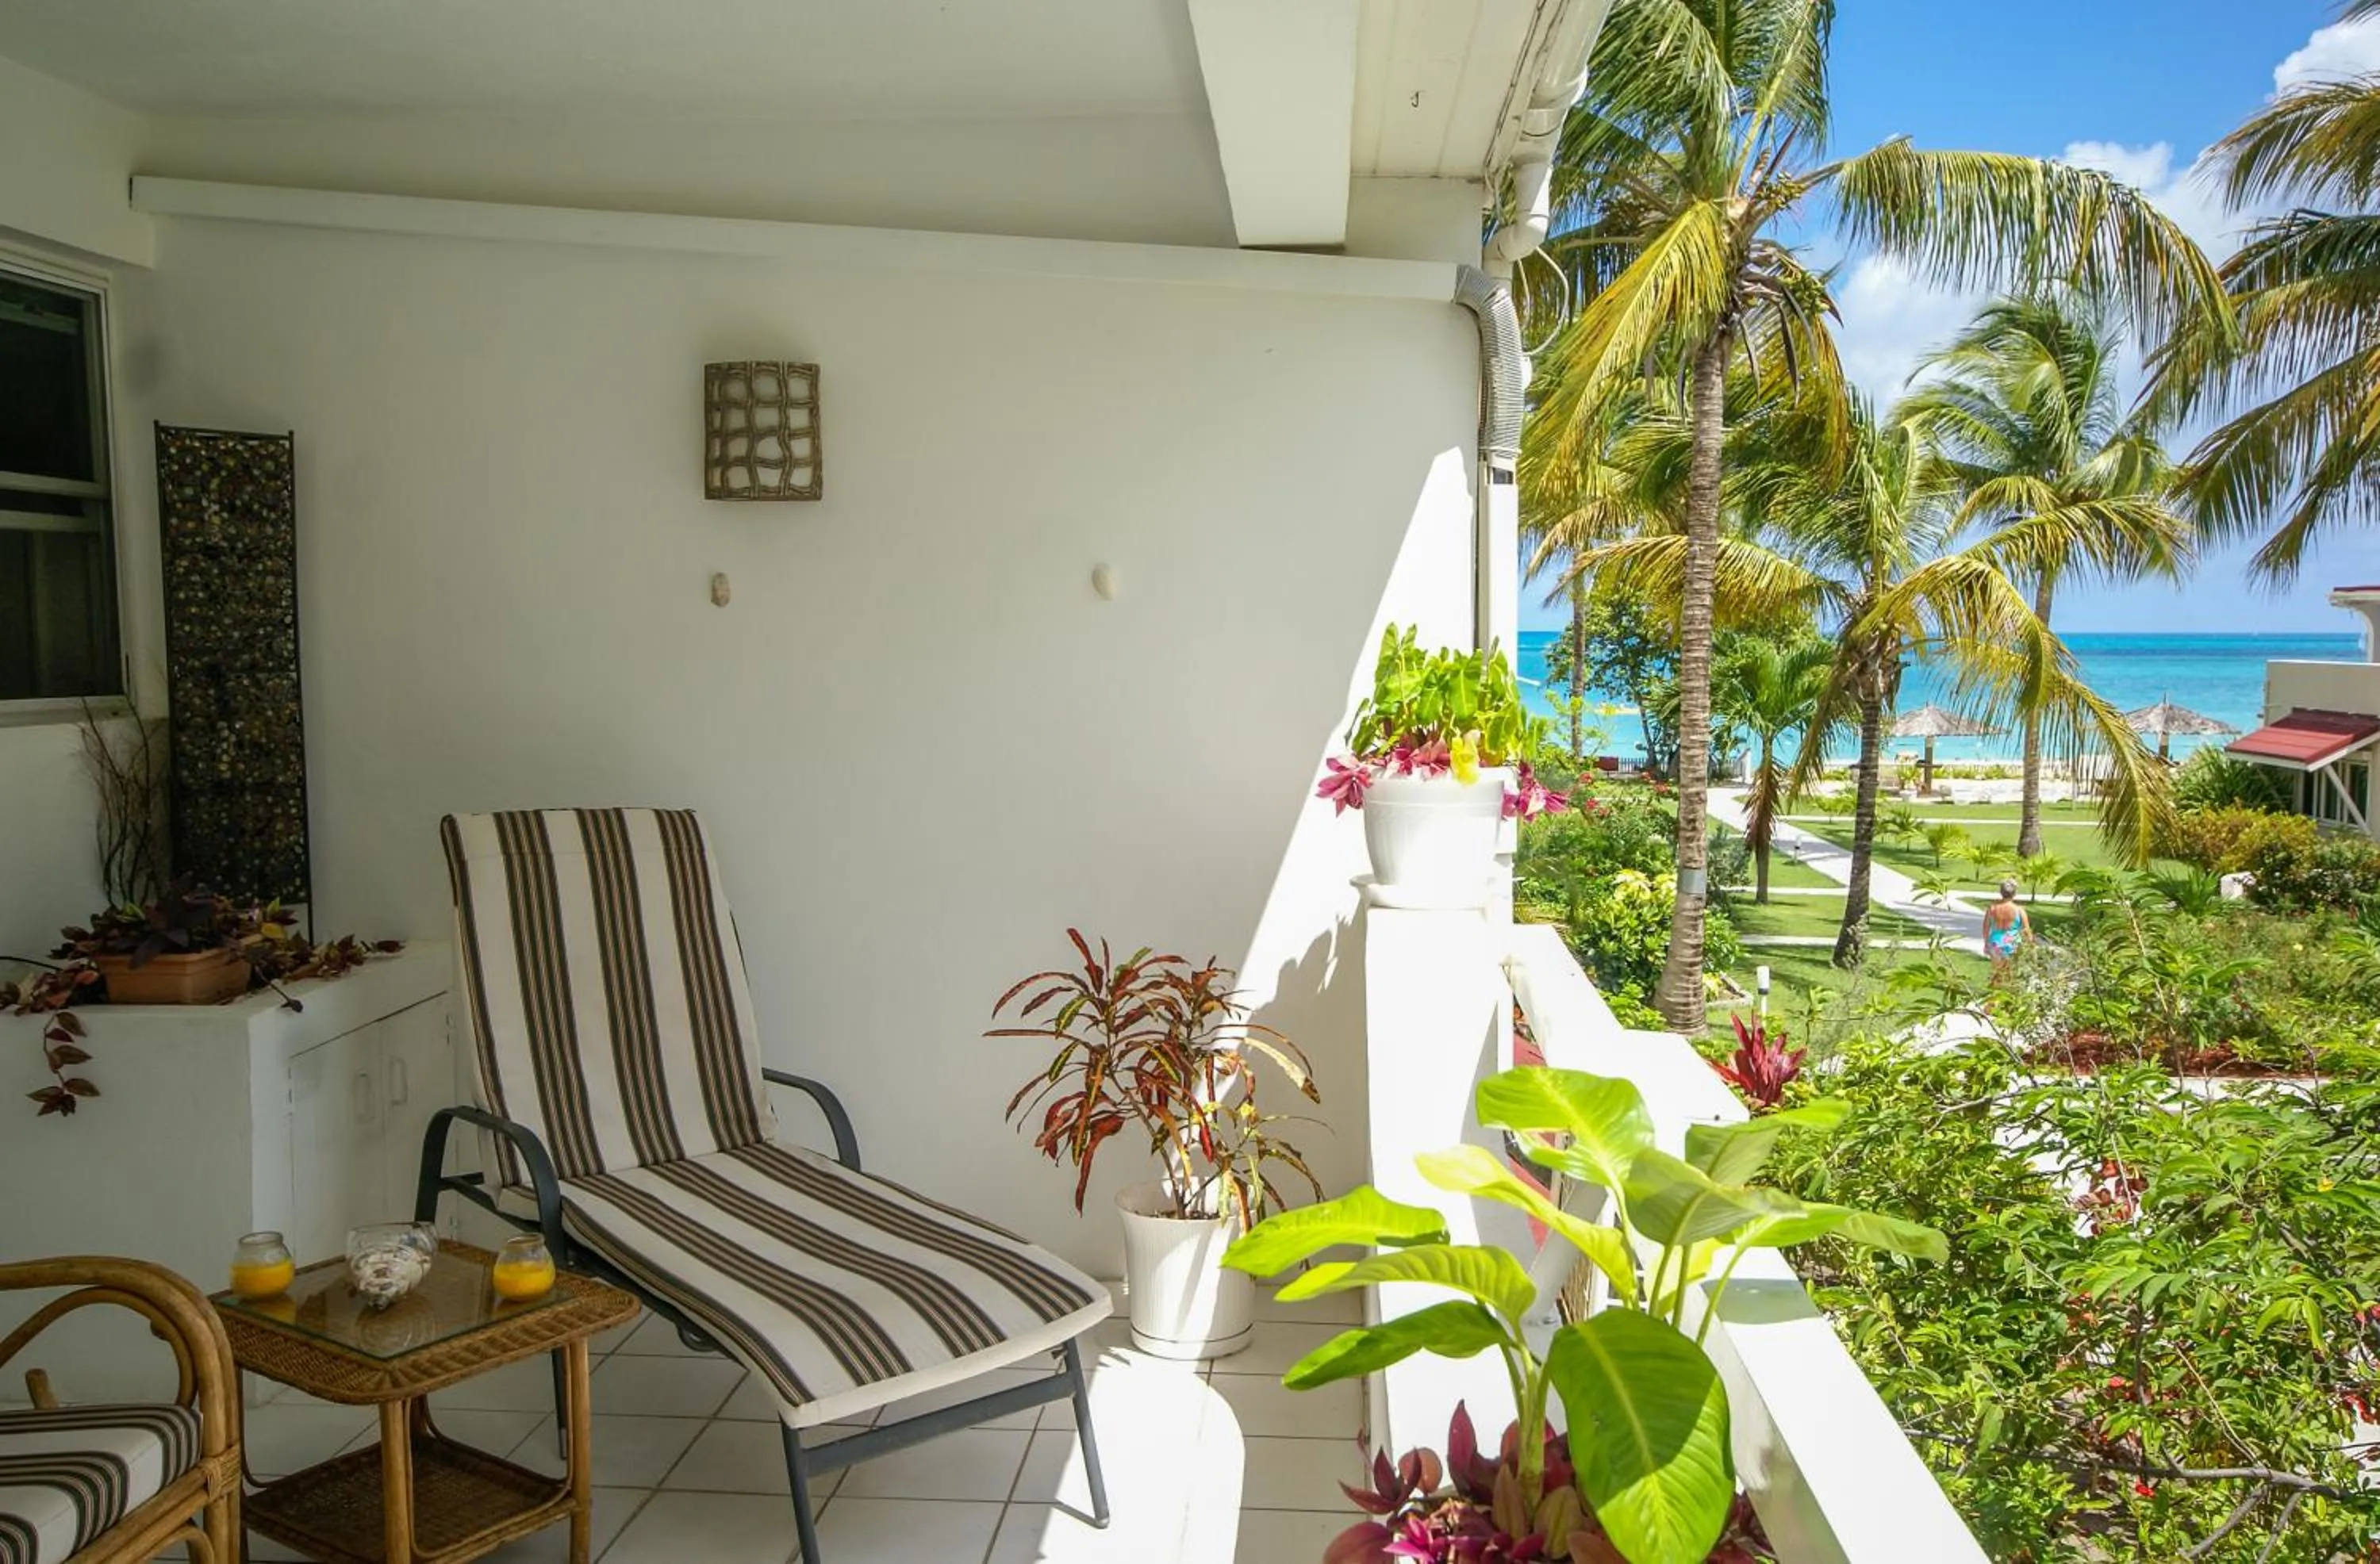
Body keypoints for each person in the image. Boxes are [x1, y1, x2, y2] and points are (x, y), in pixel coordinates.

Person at [1983, 878, 2030, 973]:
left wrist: (1986, 943)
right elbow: (2026, 930)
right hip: (2013, 943)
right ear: (2015, 893)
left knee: (1997, 971)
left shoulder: (1992, 909)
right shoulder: (2019, 910)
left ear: (2001, 892)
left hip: (1996, 943)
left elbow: (1986, 928)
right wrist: (2030, 944)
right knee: (2011, 972)